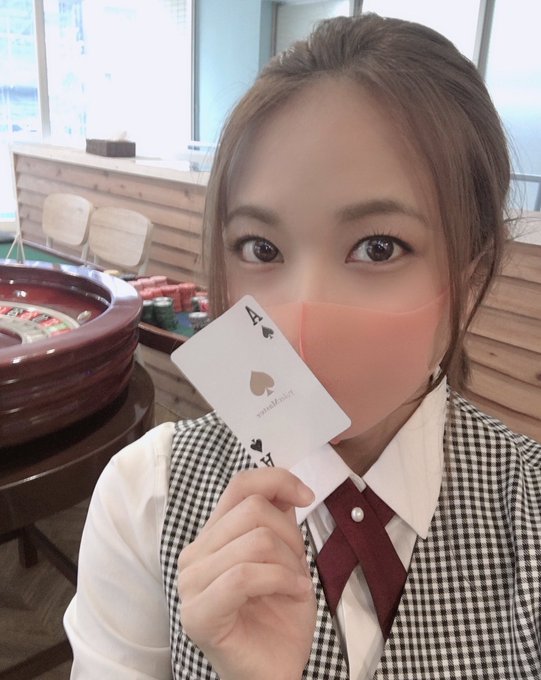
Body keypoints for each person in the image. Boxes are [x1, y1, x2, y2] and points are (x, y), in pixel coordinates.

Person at [64, 13, 541, 680]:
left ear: (469, 275)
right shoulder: (146, 496)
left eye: (378, 247)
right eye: (261, 249)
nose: (301, 318)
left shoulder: (530, 509)